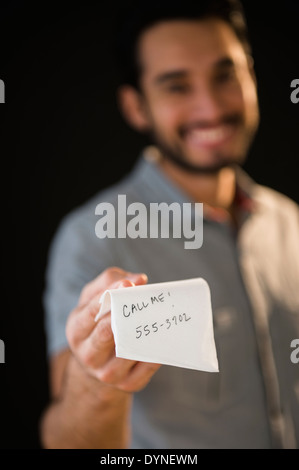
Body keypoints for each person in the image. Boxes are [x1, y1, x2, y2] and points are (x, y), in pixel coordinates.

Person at [40, 0, 299, 449]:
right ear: (137, 107)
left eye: (225, 75)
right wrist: (96, 377)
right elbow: (67, 442)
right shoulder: (94, 238)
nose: (211, 107)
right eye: (177, 86)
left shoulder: (289, 222)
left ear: (251, 77)